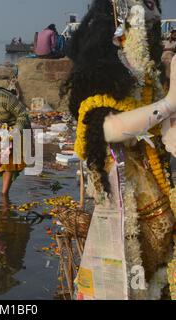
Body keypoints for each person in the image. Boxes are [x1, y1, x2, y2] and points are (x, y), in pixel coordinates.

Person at [60, 0, 176, 300]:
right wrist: (168, 104)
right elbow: (107, 130)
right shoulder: (103, 73)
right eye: (145, 14)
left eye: (154, 18)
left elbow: (161, 130)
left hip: (154, 175)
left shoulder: (149, 74)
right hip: (121, 187)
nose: (153, 22)